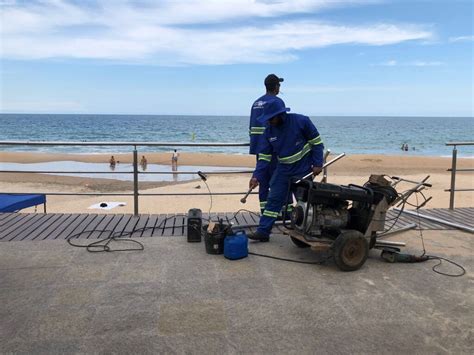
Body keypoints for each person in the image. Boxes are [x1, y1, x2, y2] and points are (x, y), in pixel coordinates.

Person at [248, 97, 324, 242]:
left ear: (281, 114)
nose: (269, 121)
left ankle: (312, 230)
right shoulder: (268, 132)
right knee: (273, 200)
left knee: (306, 201)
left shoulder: (302, 121)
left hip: (303, 169)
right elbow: (264, 157)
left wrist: (317, 163)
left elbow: (317, 143)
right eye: (267, 119)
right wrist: (256, 176)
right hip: (283, 170)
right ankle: (263, 232)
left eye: (271, 118)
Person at [249, 73, 290, 214]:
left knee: (263, 182)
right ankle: (286, 214)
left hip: (259, 150)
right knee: (281, 181)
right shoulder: (277, 102)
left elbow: (252, 128)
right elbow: (283, 126)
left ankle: (265, 213)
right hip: (272, 148)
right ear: (276, 87)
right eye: (279, 85)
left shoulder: (256, 103)